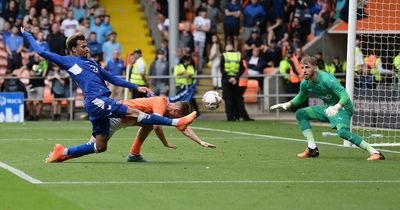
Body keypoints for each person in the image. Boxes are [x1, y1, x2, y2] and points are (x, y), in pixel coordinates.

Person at [21, 27, 197, 163]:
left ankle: (62, 152)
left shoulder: (92, 64)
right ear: (74, 50)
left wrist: (136, 86)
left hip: (100, 103)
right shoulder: (68, 61)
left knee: (100, 146)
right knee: (137, 114)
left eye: (87, 45)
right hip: (96, 100)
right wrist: (28, 35)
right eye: (83, 47)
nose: (87, 49)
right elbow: (42, 52)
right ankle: (177, 122)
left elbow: (112, 78)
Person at [270, 55, 385, 161]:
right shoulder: (305, 83)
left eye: (307, 67)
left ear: (315, 68)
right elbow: (300, 97)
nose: (304, 70)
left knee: (342, 133)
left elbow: (344, 95)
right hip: (328, 108)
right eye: (302, 67)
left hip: (343, 108)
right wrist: (288, 104)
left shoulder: (326, 79)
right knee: (300, 113)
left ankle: (375, 152)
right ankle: (312, 149)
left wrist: (337, 106)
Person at [52, 97, 216, 163]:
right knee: (96, 147)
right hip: (116, 117)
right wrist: (165, 143)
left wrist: (200, 141)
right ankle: (62, 153)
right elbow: (158, 124)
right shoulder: (160, 102)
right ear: (175, 111)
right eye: (178, 116)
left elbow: (182, 126)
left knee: (96, 147)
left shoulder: (166, 109)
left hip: (123, 119)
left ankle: (134, 154)